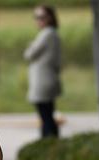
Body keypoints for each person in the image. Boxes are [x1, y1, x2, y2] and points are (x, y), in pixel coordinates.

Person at [24, 5, 61, 138]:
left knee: (46, 118)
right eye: (36, 17)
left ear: (49, 18)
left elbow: (29, 54)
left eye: (41, 17)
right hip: (48, 79)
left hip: (43, 82)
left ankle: (48, 145)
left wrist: (30, 46)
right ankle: (52, 145)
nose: (38, 21)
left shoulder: (47, 34)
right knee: (48, 115)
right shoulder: (52, 33)